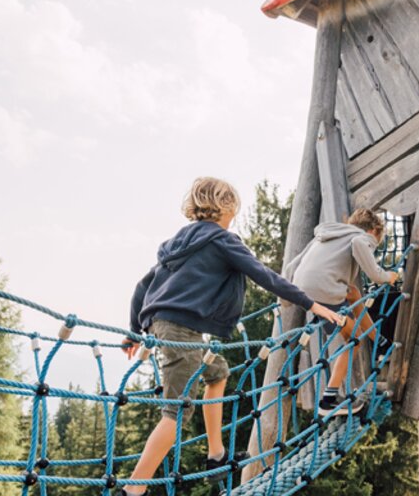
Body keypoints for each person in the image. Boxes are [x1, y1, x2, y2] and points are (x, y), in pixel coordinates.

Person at [117, 177, 341, 496]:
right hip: (180, 329)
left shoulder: (178, 242)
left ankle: (216, 454)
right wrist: (312, 304)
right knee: (177, 411)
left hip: (164, 324)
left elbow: (143, 287)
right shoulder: (223, 240)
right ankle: (134, 489)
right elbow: (264, 275)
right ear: (227, 207)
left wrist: (134, 330)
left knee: (217, 373)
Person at [284, 208, 398, 417]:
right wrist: (387, 276)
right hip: (325, 291)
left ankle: (379, 341)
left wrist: (286, 298)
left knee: (353, 296)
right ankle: (328, 399)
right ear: (374, 230)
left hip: (302, 291)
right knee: (354, 340)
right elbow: (364, 255)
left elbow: (292, 265)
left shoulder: (325, 235)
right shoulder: (361, 237)